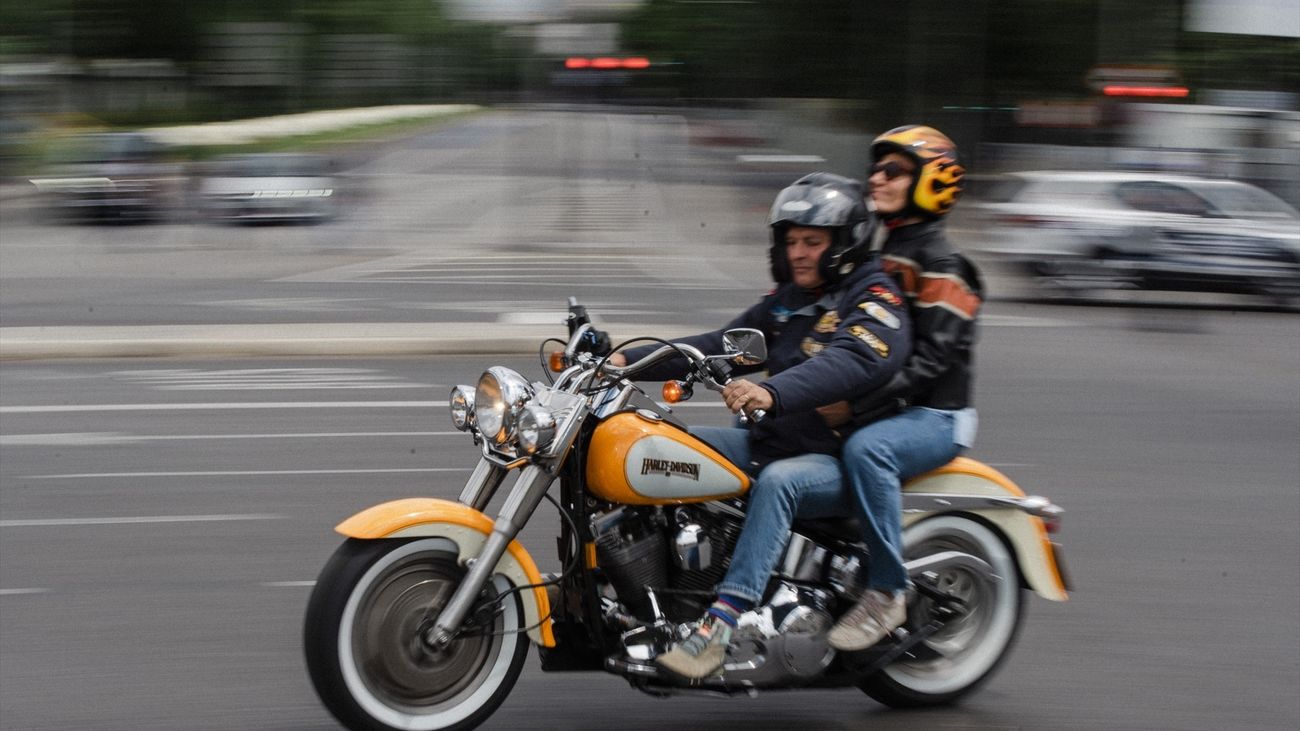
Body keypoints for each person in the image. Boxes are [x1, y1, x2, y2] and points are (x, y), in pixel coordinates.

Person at [606, 172, 912, 678]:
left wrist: (773, 391)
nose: (798, 252)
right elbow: (722, 343)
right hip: (771, 439)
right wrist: (629, 359)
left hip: (834, 457)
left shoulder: (874, 295)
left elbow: (856, 359)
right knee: (655, 444)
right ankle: (643, 590)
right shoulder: (789, 300)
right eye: (791, 241)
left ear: (845, 242)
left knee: (779, 483)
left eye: (812, 242)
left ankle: (721, 627)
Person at [817, 125, 984, 652]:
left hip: (936, 415)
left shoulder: (943, 264)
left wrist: (856, 407)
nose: (878, 177)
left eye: (895, 170)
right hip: (891, 407)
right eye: (876, 168)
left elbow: (932, 361)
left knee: (869, 450)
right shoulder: (883, 253)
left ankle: (887, 591)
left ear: (932, 180)